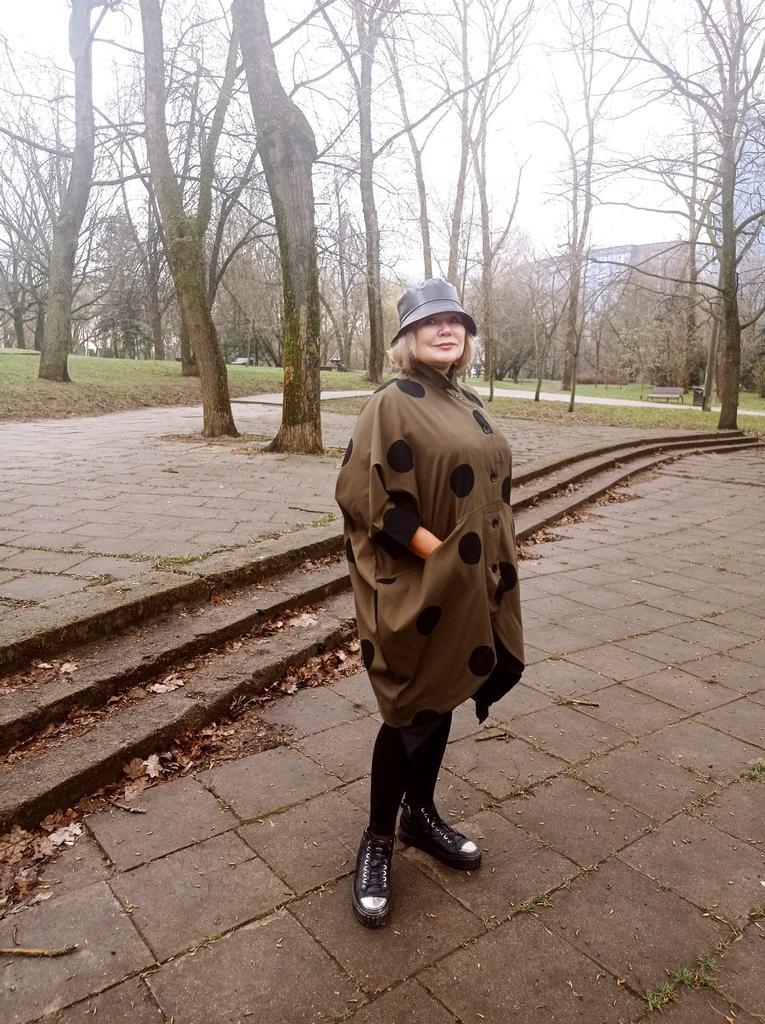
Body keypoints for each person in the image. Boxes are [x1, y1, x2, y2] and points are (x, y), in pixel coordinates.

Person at [335, 278, 524, 928]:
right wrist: (441, 558)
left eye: (456, 321)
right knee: (410, 708)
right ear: (407, 339)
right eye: (430, 322)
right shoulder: (390, 403)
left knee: (443, 693)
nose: (446, 329)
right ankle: (377, 840)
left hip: (472, 584)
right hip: (426, 584)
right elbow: (366, 496)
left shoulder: (467, 401)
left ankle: (419, 815)